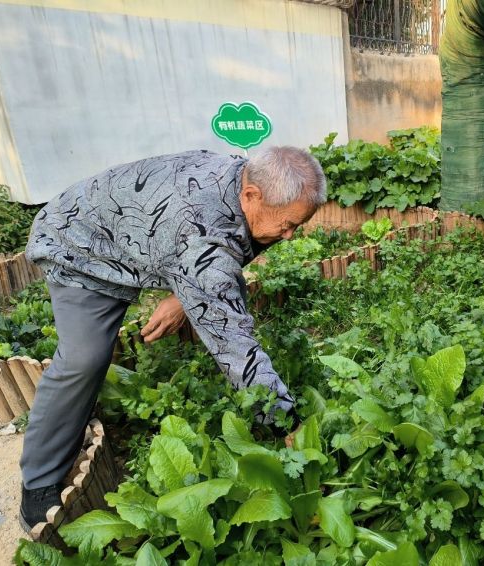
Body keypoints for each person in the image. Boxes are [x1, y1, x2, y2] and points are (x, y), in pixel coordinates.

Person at [19, 146, 326, 531]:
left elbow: (225, 246)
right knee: (84, 359)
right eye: (287, 224)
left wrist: (184, 293)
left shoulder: (242, 178)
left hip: (140, 231)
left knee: (209, 285)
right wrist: (289, 426)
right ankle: (39, 481)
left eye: (299, 225)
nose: (290, 235)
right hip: (78, 244)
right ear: (251, 195)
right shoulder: (200, 232)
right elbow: (234, 344)